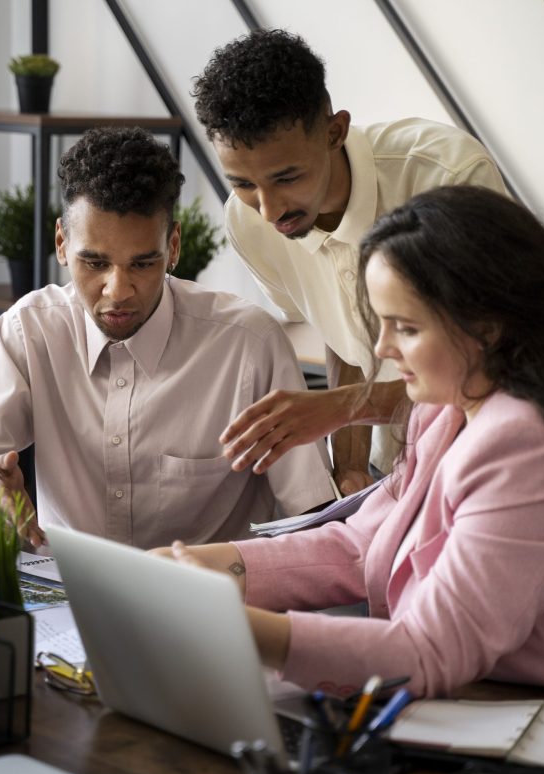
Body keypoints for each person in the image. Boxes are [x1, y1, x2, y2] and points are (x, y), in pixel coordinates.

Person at [155, 186, 544, 700]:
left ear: (488, 328)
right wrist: (216, 566)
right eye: (381, 324)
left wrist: (228, 625)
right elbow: (365, 544)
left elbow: (431, 649)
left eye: (405, 328)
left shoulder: (525, 441)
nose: (383, 348)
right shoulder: (447, 404)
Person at [0, 127, 334, 550]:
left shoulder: (250, 345)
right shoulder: (30, 330)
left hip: (213, 600)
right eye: (95, 262)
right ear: (62, 244)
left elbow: (311, 517)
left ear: (173, 246)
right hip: (70, 597)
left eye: (142, 264)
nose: (117, 291)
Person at [192, 28, 507, 493]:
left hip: (501, 454)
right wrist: (349, 467)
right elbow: (342, 333)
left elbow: (499, 363)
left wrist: (343, 406)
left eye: (287, 177)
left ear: (335, 132)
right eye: (242, 183)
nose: (270, 208)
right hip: (397, 465)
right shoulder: (248, 220)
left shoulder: (446, 176)